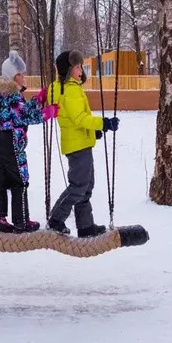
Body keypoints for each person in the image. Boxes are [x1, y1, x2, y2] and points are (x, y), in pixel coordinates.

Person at [46, 49, 119, 237]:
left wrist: (93, 130)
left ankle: (85, 226)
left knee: (86, 186)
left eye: (80, 66)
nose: (81, 70)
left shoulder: (72, 87)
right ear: (68, 70)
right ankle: (55, 219)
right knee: (79, 186)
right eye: (77, 67)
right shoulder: (69, 90)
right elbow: (79, 118)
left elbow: (77, 119)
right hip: (77, 146)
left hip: (80, 143)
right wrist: (103, 123)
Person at [0, 50, 57, 233]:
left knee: (2, 179)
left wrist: (38, 99)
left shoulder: (5, 94)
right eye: (20, 74)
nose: (24, 77)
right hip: (13, 141)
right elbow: (25, 116)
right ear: (13, 76)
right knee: (20, 180)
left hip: (4, 139)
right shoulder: (13, 95)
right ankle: (21, 221)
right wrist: (47, 112)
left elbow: (20, 111)